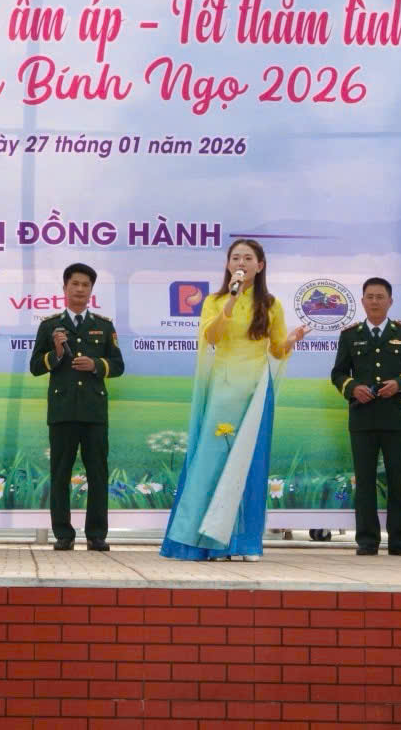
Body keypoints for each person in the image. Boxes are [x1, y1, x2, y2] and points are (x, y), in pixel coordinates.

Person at [161, 239, 308, 561]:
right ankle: (206, 540)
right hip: (224, 390)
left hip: (255, 390)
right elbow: (211, 337)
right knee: (213, 459)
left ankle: (244, 542)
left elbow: (276, 349)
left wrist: (292, 341)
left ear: (260, 265)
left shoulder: (271, 304)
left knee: (249, 462)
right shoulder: (214, 300)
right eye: (236, 258)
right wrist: (231, 300)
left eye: (248, 258)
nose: (241, 262)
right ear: (228, 265)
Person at [330, 277, 401, 557]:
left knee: (398, 480)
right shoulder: (350, 334)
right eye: (370, 297)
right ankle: (367, 540)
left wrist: (399, 383)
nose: (375, 301)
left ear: (390, 301)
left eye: (380, 297)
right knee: (364, 481)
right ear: (362, 301)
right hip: (362, 419)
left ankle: (399, 541)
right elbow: (338, 373)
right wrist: (352, 388)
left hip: (397, 419)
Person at [29, 263, 124, 551]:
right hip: (62, 411)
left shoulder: (104, 326)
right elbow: (35, 367)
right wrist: (57, 353)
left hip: (94, 411)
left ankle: (96, 535)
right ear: (65, 288)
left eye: (85, 285)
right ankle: (63, 534)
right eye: (75, 284)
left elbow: (118, 365)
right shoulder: (50, 326)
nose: (80, 289)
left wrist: (96, 365)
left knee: (98, 473)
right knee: (60, 473)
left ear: (91, 290)